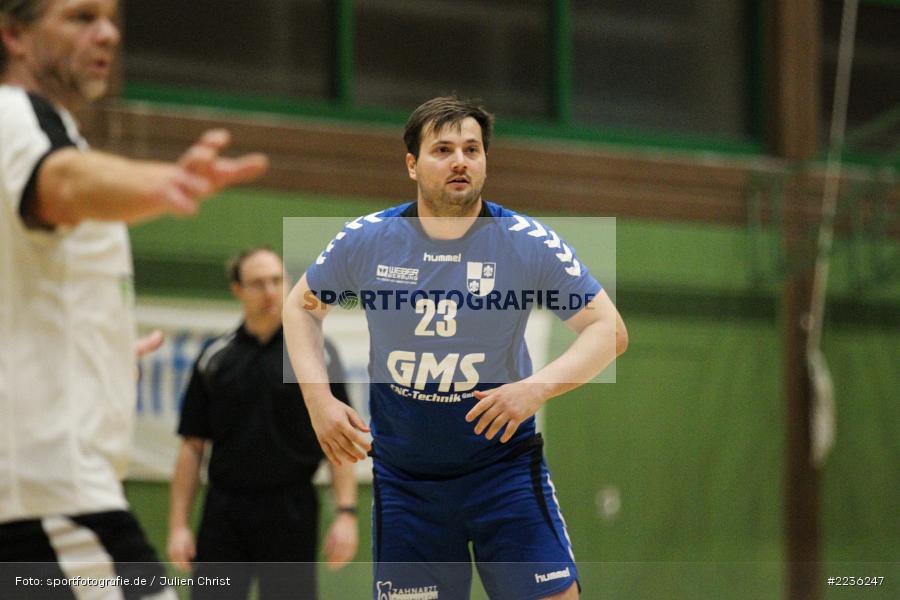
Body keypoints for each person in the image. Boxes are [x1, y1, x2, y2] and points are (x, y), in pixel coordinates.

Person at [283, 95, 628, 600]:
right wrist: (318, 401)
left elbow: (608, 329)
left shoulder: (525, 242)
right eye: (443, 149)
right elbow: (301, 307)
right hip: (408, 484)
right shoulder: (369, 240)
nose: (460, 160)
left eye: (472, 149)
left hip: (503, 474)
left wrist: (533, 390)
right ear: (412, 165)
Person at [0, 1, 268, 598]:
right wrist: (165, 184)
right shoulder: (17, 118)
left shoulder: (47, 131)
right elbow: (62, 185)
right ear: (15, 34)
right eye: (80, 16)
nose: (107, 33)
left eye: (112, 18)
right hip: (55, 499)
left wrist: (98, 352)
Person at [167, 247, 358, 600]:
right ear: (238, 290)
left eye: (276, 281)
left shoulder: (317, 353)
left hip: (292, 508)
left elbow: (340, 439)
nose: (270, 291)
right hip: (224, 509)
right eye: (257, 283)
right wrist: (178, 526)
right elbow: (192, 445)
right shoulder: (215, 357)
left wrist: (346, 514)